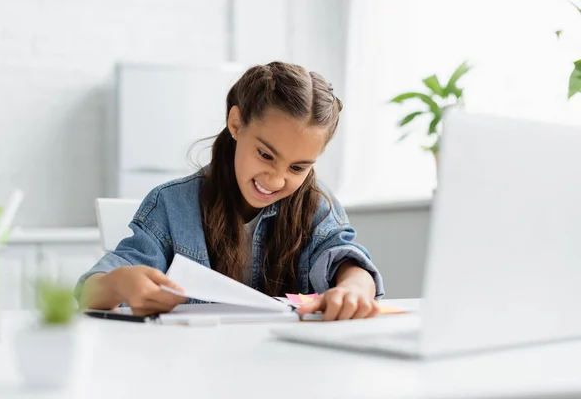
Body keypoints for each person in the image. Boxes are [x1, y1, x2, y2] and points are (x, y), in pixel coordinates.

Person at [76, 61, 384, 321]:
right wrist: (119, 284)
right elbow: (91, 291)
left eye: (297, 168)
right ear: (236, 124)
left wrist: (353, 290)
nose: (276, 180)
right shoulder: (171, 205)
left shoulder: (316, 206)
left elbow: (348, 261)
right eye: (265, 155)